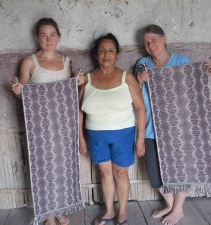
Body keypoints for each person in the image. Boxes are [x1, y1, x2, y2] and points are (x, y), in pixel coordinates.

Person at [134, 24, 211, 225]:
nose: (150, 45)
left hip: (179, 127)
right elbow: (134, 92)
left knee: (181, 169)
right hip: (152, 128)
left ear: (164, 38)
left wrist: (204, 73)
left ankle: (178, 209)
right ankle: (169, 204)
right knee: (154, 174)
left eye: (153, 40)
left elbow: (192, 86)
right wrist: (139, 80)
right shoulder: (142, 64)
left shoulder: (181, 61)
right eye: (146, 42)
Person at [11, 17, 84, 225]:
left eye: (52, 34)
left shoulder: (67, 62)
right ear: (37, 38)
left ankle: (60, 209)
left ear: (58, 36)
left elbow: (69, 95)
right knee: (44, 170)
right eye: (43, 34)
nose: (48, 39)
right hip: (40, 129)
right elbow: (23, 96)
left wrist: (78, 83)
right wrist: (17, 91)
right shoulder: (29, 62)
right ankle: (48, 214)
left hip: (63, 127)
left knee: (63, 168)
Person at [78, 33, 146, 225]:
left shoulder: (127, 77)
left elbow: (140, 108)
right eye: (101, 50)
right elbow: (79, 111)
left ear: (117, 54)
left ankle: (122, 212)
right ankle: (108, 211)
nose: (106, 54)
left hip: (123, 133)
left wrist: (140, 139)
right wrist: (81, 138)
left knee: (120, 173)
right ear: (95, 55)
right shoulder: (87, 79)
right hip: (95, 134)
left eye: (110, 50)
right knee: (105, 173)